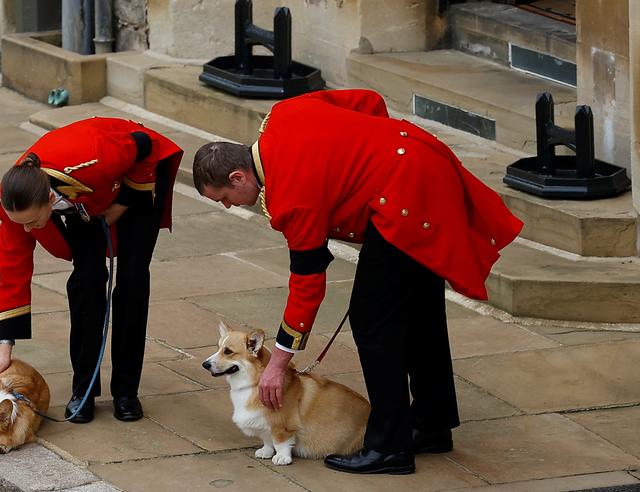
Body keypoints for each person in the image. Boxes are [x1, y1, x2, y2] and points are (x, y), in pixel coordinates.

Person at [192, 89, 522, 474]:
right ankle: (432, 423)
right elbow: (367, 101)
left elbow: (308, 284)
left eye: (226, 198)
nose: (230, 206)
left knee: (372, 321)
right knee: (419, 309)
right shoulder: (282, 114)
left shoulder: (291, 198)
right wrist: (374, 153)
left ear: (238, 175)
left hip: (404, 199)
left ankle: (389, 446)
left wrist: (277, 364)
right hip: (420, 160)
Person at [0, 117, 182, 424]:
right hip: (84, 201)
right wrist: (4, 350)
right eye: (19, 222)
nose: (24, 229)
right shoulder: (12, 205)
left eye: (31, 222)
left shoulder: (95, 158)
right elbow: (12, 274)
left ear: (49, 199)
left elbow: (146, 146)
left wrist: (124, 203)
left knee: (132, 278)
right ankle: (84, 391)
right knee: (86, 281)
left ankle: (126, 392)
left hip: (134, 179)